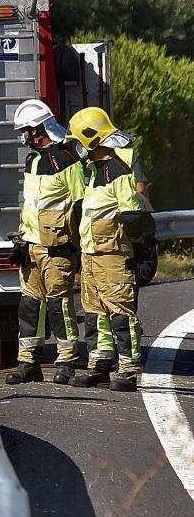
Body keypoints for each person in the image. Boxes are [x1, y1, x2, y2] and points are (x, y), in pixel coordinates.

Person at [6, 100, 86, 385]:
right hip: (31, 246)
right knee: (29, 305)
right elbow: (32, 206)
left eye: (27, 130)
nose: (24, 136)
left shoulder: (66, 160)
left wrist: (79, 246)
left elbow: (79, 206)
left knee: (58, 305)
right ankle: (28, 362)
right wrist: (21, 241)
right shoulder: (33, 160)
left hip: (57, 248)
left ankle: (66, 361)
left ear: (39, 129)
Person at [67, 107, 146, 392]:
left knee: (120, 312)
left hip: (112, 255)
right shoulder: (92, 172)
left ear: (91, 140)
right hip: (91, 255)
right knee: (94, 312)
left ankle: (127, 369)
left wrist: (138, 248)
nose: (76, 147)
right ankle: (99, 364)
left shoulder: (118, 172)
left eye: (78, 141)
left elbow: (132, 214)